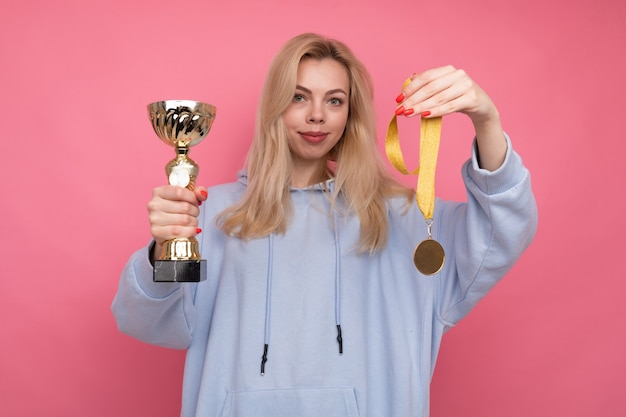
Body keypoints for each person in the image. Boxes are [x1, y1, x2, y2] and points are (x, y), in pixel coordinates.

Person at [112, 32, 537, 417]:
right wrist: (163, 249)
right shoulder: (212, 214)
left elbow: (501, 233)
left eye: (334, 100)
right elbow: (153, 321)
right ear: (275, 106)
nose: (317, 115)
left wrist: (486, 119)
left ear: (350, 114)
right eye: (299, 97)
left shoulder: (405, 218)